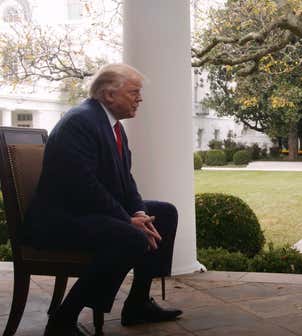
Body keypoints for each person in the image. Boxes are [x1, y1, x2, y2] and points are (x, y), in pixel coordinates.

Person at [24, 63, 183, 335]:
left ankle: (138, 304)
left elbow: (126, 180)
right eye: (134, 92)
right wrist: (126, 219)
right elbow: (83, 186)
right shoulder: (80, 121)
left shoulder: (113, 126)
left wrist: (139, 212)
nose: (140, 98)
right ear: (109, 95)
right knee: (129, 236)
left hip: (85, 214)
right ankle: (62, 320)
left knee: (164, 213)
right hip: (59, 221)